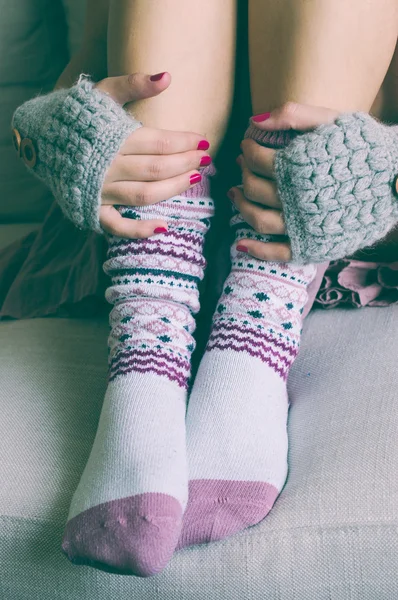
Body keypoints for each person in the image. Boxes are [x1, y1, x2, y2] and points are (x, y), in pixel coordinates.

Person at [5, 0, 398, 578]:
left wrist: (387, 176)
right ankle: (148, 362)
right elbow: (86, 73)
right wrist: (50, 135)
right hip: (140, 231)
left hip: (332, 220)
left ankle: (252, 342)